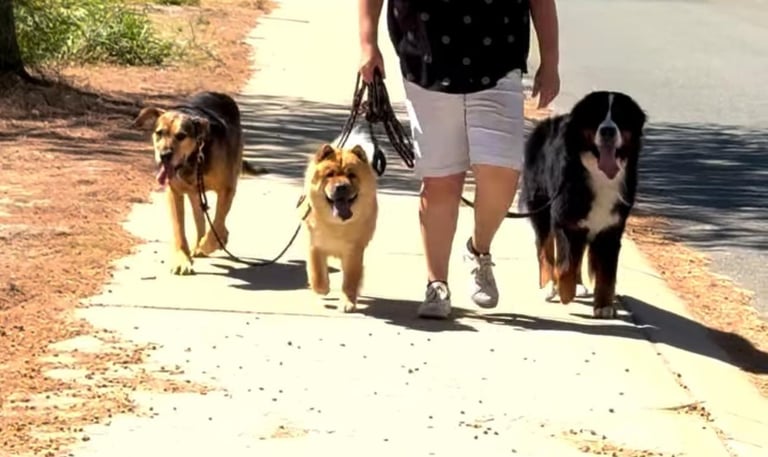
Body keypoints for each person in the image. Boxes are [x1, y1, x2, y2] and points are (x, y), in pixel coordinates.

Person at [357, 0, 561, 319]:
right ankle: (436, 284)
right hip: (426, 59)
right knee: (441, 181)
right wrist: (368, 44)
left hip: (498, 58)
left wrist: (550, 61)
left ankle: (478, 250)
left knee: (502, 172)